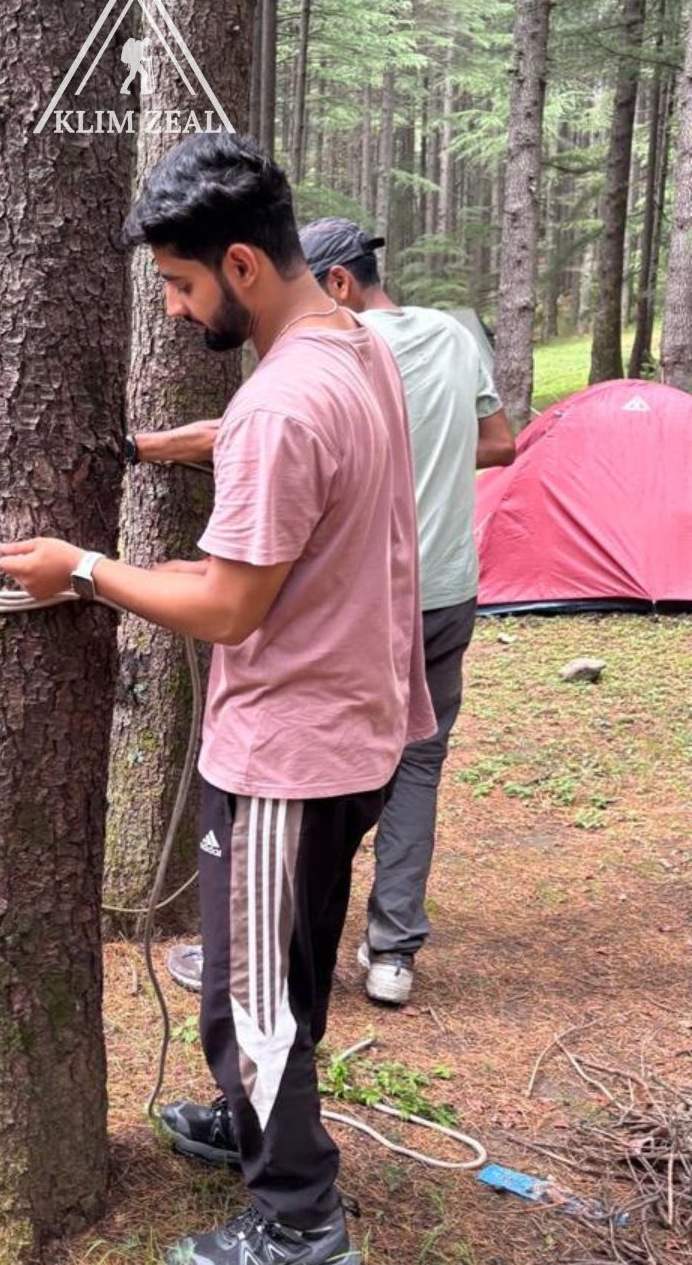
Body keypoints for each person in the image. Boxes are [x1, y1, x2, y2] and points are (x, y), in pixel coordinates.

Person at [0, 134, 434, 1265]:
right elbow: (286, 464)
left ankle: (299, 1219)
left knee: (253, 997)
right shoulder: (352, 344)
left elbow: (231, 605)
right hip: (353, 722)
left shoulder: (282, 403)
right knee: (277, 968)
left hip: (293, 744)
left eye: (182, 285)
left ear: (241, 263)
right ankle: (251, 1120)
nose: (177, 311)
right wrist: (181, 446)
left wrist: (83, 570)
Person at [137, 217, 516, 1009]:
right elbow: (499, 444)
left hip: (360, 607)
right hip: (447, 589)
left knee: (312, 795)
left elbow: (273, 441)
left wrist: (144, 467)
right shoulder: (443, 340)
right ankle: (392, 950)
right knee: (415, 768)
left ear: (336, 281)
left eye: (181, 285)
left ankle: (268, 947)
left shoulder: (333, 357)